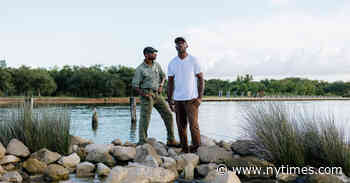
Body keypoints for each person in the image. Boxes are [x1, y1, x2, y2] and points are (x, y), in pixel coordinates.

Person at [132, 46, 180, 147]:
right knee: (145, 119)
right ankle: (142, 141)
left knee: (169, 115)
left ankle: (171, 140)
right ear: (146, 55)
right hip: (147, 95)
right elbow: (135, 86)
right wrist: (144, 94)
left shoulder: (157, 65)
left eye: (155, 53)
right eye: (153, 53)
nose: (155, 54)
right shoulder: (140, 69)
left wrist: (161, 85)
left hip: (158, 95)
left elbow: (163, 77)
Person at [167, 37, 204, 153]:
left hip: (191, 99)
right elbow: (170, 82)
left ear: (187, 45)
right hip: (178, 99)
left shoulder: (194, 60)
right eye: (177, 44)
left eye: (182, 43)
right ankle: (184, 149)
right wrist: (170, 100)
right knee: (181, 126)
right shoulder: (172, 63)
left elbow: (201, 79)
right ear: (175, 47)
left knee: (194, 125)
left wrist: (200, 98)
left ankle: (197, 148)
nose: (180, 45)